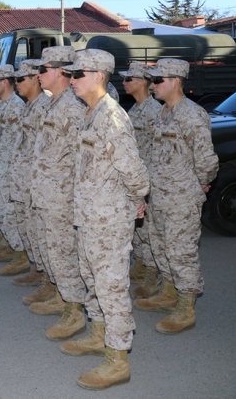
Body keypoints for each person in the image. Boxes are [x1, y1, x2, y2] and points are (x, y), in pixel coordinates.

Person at [59, 49, 150, 391]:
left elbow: (132, 167)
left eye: (78, 74)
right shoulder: (91, 113)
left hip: (109, 218)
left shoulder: (110, 116)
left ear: (98, 75)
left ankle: (118, 358)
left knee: (111, 287)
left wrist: (138, 198)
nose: (73, 79)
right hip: (90, 214)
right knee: (93, 279)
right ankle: (99, 333)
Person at [134, 58, 218, 335]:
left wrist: (200, 185)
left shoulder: (191, 115)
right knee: (161, 246)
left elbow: (206, 160)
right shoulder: (162, 114)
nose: (153, 85)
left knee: (182, 252)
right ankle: (168, 291)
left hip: (181, 197)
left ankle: (185, 305)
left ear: (176, 81)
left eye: (158, 80)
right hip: (159, 194)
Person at [28, 46, 88, 343]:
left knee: (65, 253)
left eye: (43, 69)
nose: (38, 75)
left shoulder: (73, 108)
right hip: (47, 193)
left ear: (63, 71)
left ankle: (75, 310)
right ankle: (63, 297)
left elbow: (83, 160)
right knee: (53, 251)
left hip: (63, 198)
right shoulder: (55, 104)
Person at [119, 62, 162, 299]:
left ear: (143, 82)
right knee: (138, 228)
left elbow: (159, 148)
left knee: (149, 229)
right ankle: (142, 265)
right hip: (136, 176)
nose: (124, 82)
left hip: (150, 178)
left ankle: (152, 271)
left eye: (129, 79)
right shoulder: (135, 109)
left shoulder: (153, 111)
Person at [8, 60, 51, 288]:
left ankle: (47, 280)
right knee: (30, 229)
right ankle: (38, 269)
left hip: (36, 183)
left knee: (41, 232)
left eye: (21, 79)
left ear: (36, 78)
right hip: (24, 180)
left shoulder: (44, 107)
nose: (17, 84)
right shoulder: (29, 106)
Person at [0, 65, 27, 275]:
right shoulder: (0, 106)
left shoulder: (17, 107)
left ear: (4, 82)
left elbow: (21, 145)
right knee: (3, 208)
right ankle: (9, 241)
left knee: (11, 211)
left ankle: (20, 253)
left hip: (10, 171)